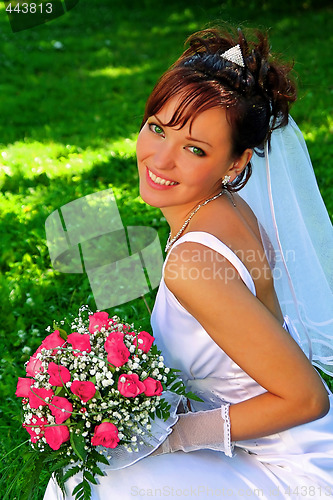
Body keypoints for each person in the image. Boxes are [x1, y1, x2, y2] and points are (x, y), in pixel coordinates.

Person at [44, 26, 333, 499]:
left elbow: (307, 398)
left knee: (91, 482)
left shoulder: (192, 263)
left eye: (194, 149)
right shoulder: (225, 209)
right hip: (283, 443)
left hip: (290, 466)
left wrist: (172, 439)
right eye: (158, 128)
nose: (161, 158)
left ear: (235, 164)